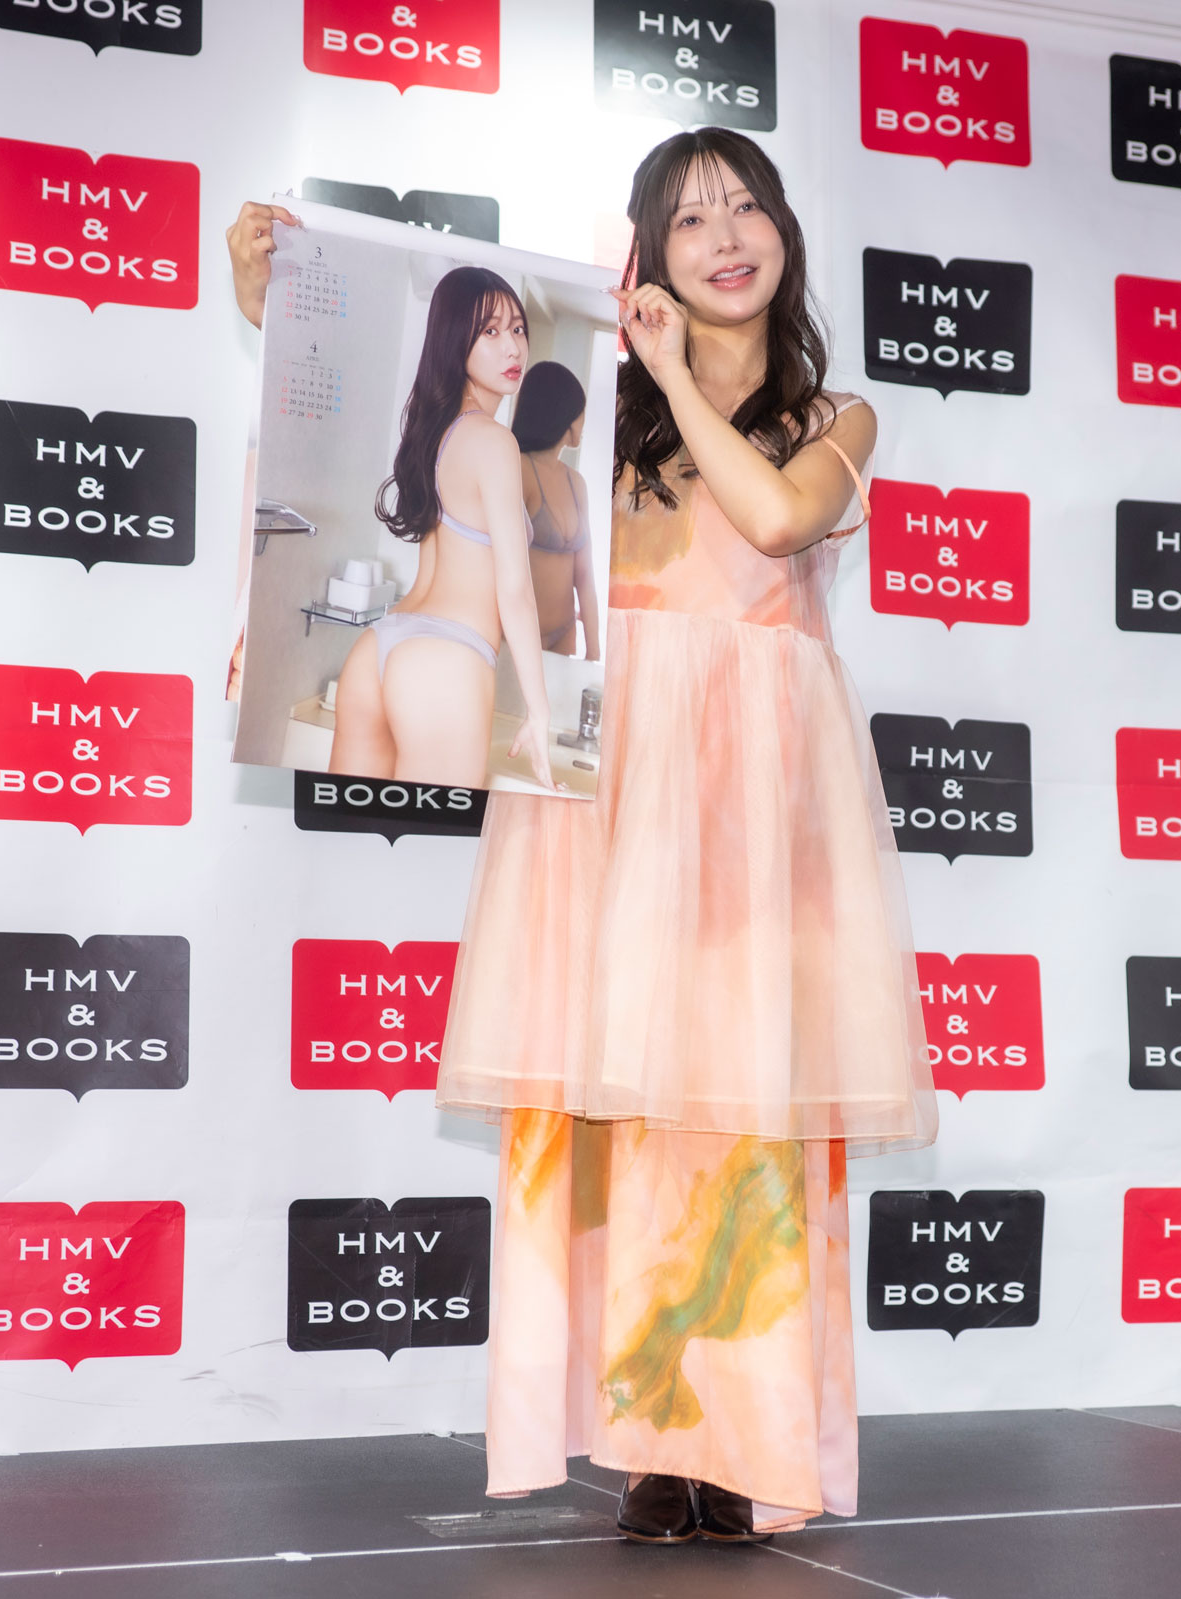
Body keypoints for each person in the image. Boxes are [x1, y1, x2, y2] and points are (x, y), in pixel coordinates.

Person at [433, 128, 935, 1545]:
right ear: (649, 251)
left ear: (783, 233)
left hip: (764, 804)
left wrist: (665, 374)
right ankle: (651, 1435)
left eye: (746, 206)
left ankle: (742, 1442)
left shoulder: (838, 417)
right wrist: (275, 298)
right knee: (626, 1118)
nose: (726, 235)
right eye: (691, 215)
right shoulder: (592, 414)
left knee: (746, 1113)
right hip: (614, 791)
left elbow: (774, 519)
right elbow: (443, 487)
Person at [223, 207, 553, 789]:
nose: (513, 347)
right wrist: (540, 709)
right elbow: (514, 590)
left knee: (348, 832)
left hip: (377, 648)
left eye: (518, 329)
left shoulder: (433, 434)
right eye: (490, 331)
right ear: (456, 341)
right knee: (432, 845)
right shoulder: (495, 442)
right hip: (447, 662)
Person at [511, 361, 602, 659]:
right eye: (580, 411)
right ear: (563, 413)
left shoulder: (577, 483)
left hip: (565, 633)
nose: (583, 421)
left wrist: (594, 650)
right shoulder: (519, 469)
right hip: (519, 636)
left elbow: (585, 575)